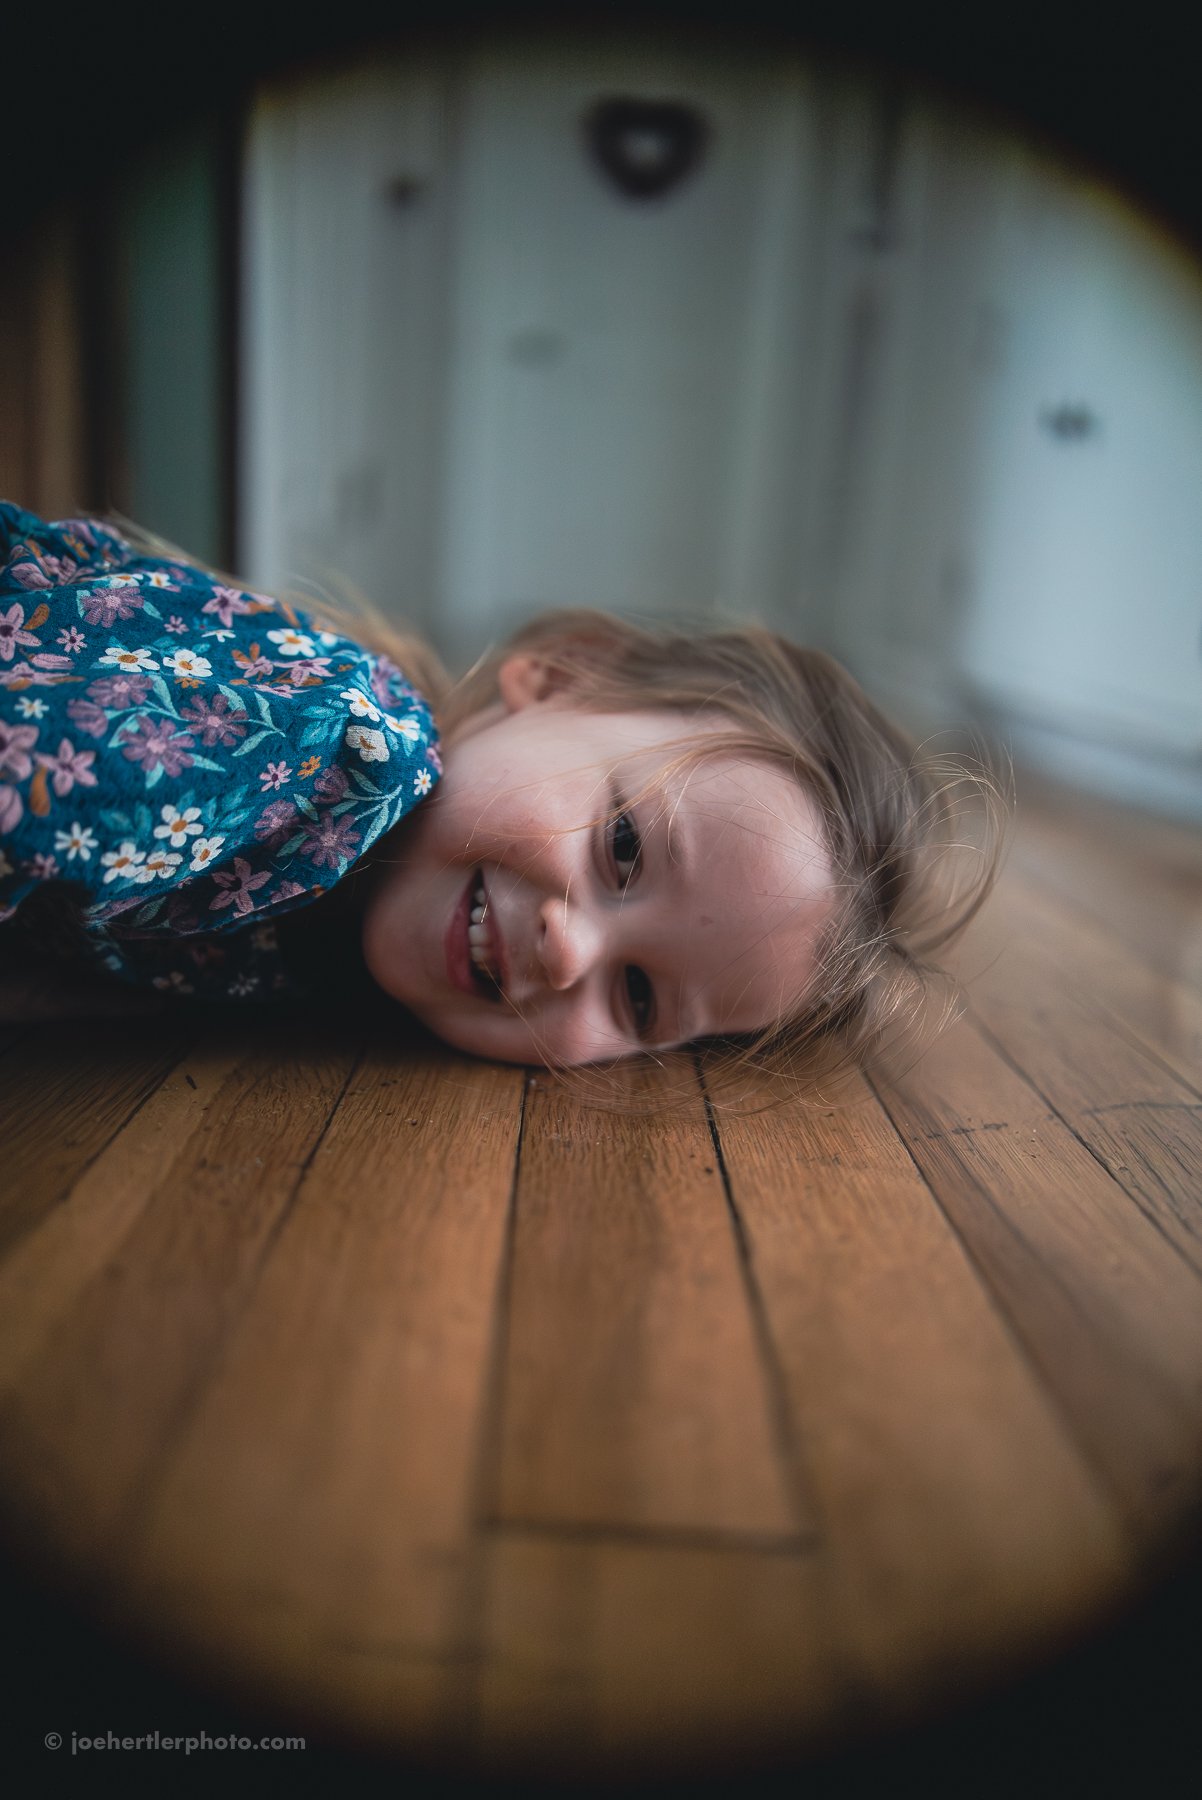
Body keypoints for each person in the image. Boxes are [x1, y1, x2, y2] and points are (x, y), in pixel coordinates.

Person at [0, 502, 1004, 1081]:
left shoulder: (326, 958)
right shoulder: (332, 746)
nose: (570, 951)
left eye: (640, 994)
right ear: (558, 675)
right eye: (621, 849)